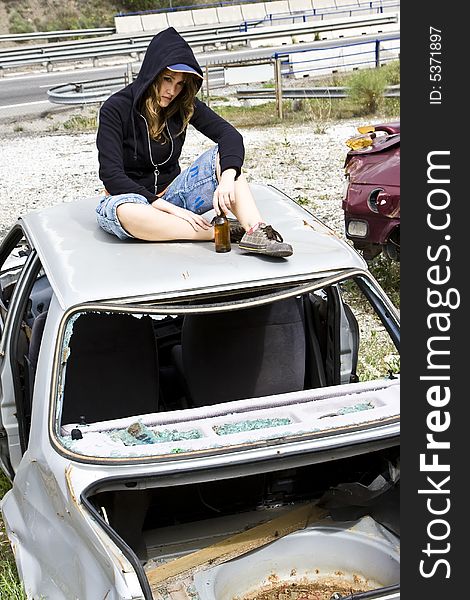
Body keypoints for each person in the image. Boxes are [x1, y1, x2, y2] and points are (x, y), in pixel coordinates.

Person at [96, 27, 293, 258]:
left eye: (180, 83)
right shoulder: (115, 108)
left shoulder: (183, 104)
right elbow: (111, 175)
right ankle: (216, 232)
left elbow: (230, 136)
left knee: (227, 158)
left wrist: (228, 177)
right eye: (167, 79)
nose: (172, 91)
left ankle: (255, 230)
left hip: (174, 194)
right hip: (131, 200)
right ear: (152, 74)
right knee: (128, 213)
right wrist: (165, 208)